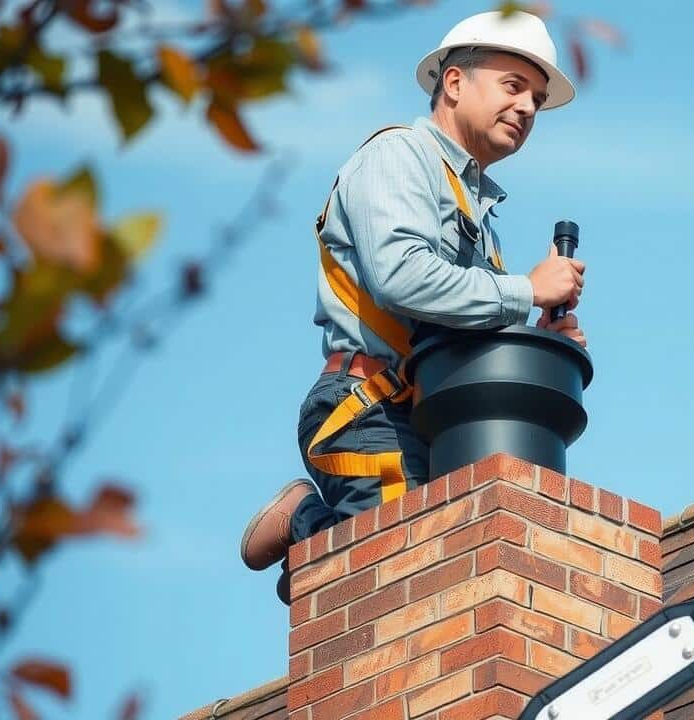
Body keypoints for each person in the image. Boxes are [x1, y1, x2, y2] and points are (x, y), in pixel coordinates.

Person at [238, 10, 587, 604]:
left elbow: (451, 325)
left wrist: (540, 337)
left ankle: (322, 559)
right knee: (405, 587)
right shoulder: (399, 157)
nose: (527, 107)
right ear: (454, 83)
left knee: (438, 586)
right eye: (512, 86)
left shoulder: (475, 207)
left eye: (535, 97)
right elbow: (402, 278)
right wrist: (527, 291)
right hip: (368, 409)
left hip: (431, 411)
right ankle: (306, 524)